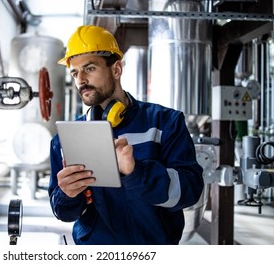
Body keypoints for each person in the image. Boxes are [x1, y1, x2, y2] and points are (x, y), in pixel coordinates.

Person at [48, 25, 204, 245]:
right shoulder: (64, 140)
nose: (80, 79)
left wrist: (136, 172)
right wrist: (67, 194)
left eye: (89, 68)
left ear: (116, 70)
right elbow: (64, 212)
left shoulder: (165, 123)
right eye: (75, 72)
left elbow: (190, 191)